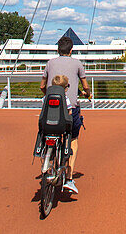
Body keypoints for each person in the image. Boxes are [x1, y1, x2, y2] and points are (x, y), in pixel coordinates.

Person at [40, 35, 91, 195]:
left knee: (44, 133)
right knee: (73, 138)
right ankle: (69, 178)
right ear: (71, 50)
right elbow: (85, 85)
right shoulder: (77, 64)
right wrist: (87, 94)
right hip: (70, 109)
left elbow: (42, 85)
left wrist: (48, 93)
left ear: (58, 50)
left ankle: (46, 161)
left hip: (49, 107)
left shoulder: (50, 63)